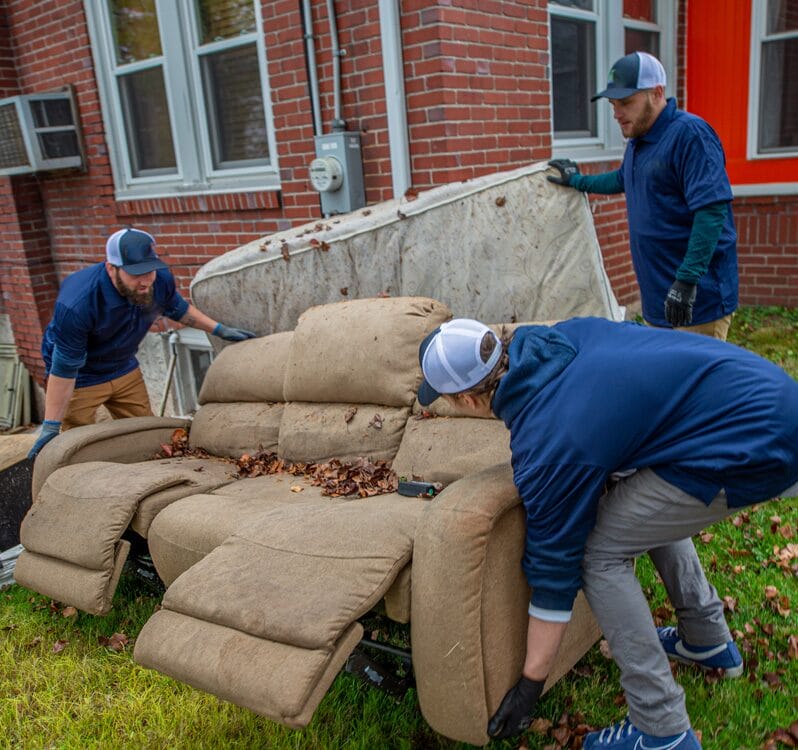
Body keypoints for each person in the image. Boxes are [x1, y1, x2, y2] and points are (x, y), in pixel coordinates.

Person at [416, 317, 798, 750]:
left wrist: (530, 683)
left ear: (467, 400)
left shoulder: (548, 444)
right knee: (634, 506)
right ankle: (706, 640)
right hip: (767, 393)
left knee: (598, 553)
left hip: (755, 443)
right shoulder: (564, 336)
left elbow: (555, 571)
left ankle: (662, 729)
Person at [547, 51, 738, 341]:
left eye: (625, 102)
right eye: (613, 104)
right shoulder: (639, 140)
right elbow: (623, 179)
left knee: (696, 384)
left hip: (697, 302)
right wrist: (577, 180)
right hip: (659, 298)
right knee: (665, 382)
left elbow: (711, 211)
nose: (616, 113)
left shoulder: (690, 136)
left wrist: (687, 280)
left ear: (657, 93)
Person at [28, 227, 256, 459]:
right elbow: (65, 367)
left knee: (145, 431)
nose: (146, 280)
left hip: (124, 367)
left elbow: (178, 309)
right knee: (77, 441)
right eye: (136, 273)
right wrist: (51, 425)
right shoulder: (78, 303)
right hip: (82, 377)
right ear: (111, 268)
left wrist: (219, 329)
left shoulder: (159, 280)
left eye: (149, 270)